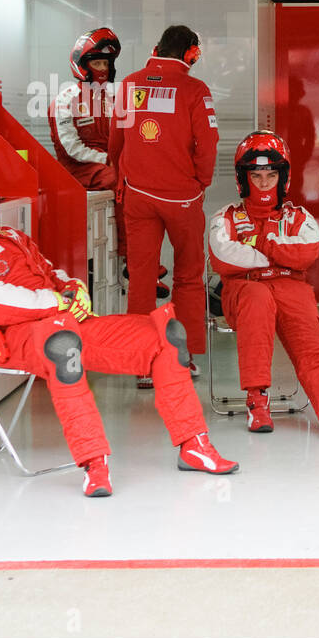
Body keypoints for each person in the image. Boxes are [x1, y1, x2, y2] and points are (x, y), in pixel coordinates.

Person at [0, 151, 238, 498]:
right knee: (64, 346)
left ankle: (194, 444)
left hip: (68, 320)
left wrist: (72, 287)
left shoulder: (8, 234)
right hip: (19, 337)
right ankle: (94, 464)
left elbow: (48, 272)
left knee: (167, 335)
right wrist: (55, 302)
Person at [209, 131, 319, 435]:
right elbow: (224, 258)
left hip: (290, 287)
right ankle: (257, 402)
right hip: (244, 292)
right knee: (257, 297)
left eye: (271, 174)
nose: (264, 182)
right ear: (243, 178)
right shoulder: (225, 217)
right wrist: (276, 251)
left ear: (283, 177)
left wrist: (259, 246)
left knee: (309, 339)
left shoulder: (300, 217)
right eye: (256, 175)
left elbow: (306, 254)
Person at [110, 25, 218, 387]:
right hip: (183, 199)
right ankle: (181, 360)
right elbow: (208, 143)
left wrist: (120, 176)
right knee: (187, 278)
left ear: (156, 48)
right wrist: (201, 181)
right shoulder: (195, 90)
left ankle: (143, 363)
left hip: (138, 196)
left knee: (141, 279)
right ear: (191, 54)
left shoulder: (128, 85)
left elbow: (117, 140)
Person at [49, 28, 120, 192]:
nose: (103, 68)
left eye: (106, 63)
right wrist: (108, 159)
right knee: (122, 179)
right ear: (83, 65)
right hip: (79, 170)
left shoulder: (112, 99)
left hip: (108, 166)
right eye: (97, 63)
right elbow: (71, 148)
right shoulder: (65, 101)